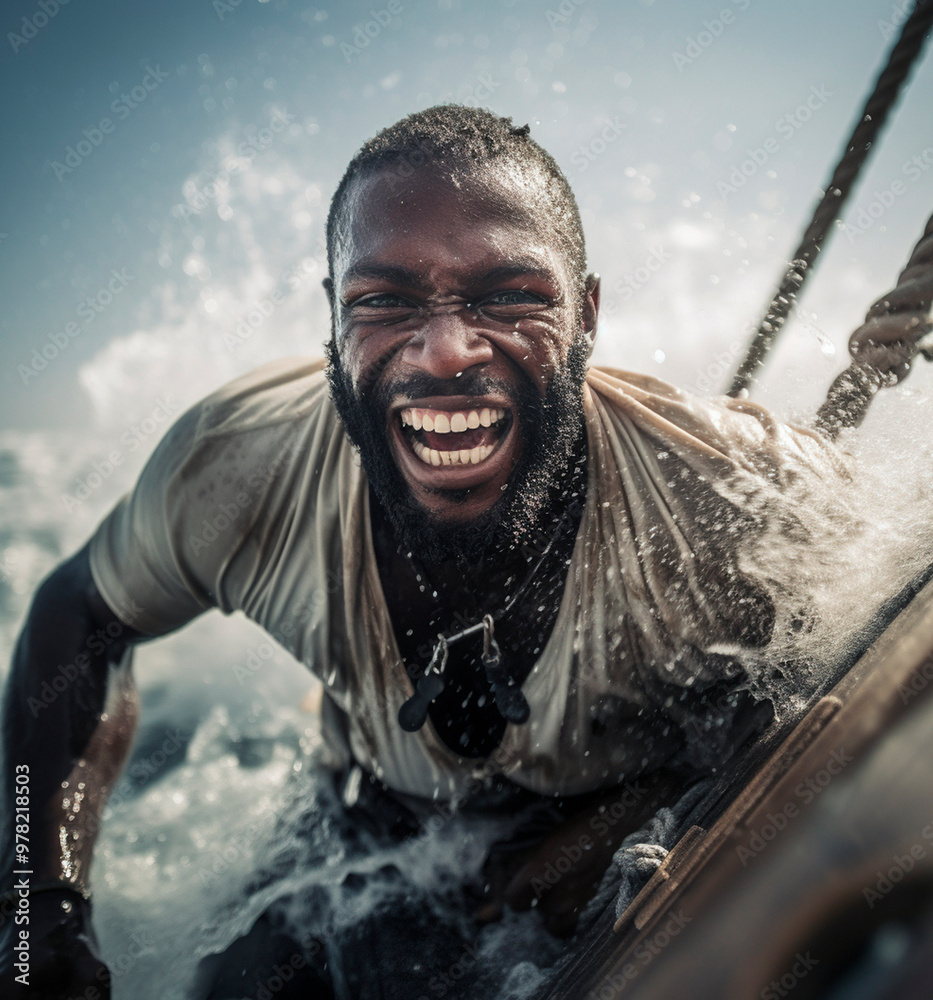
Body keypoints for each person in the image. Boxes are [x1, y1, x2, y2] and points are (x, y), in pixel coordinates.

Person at [0, 105, 924, 1000]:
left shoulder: (728, 492)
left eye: (509, 295)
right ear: (332, 319)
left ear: (588, 316)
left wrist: (636, 816)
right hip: (366, 824)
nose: (443, 350)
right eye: (383, 302)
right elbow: (76, 616)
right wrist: (38, 907)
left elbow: (889, 617)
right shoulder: (237, 467)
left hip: (623, 802)